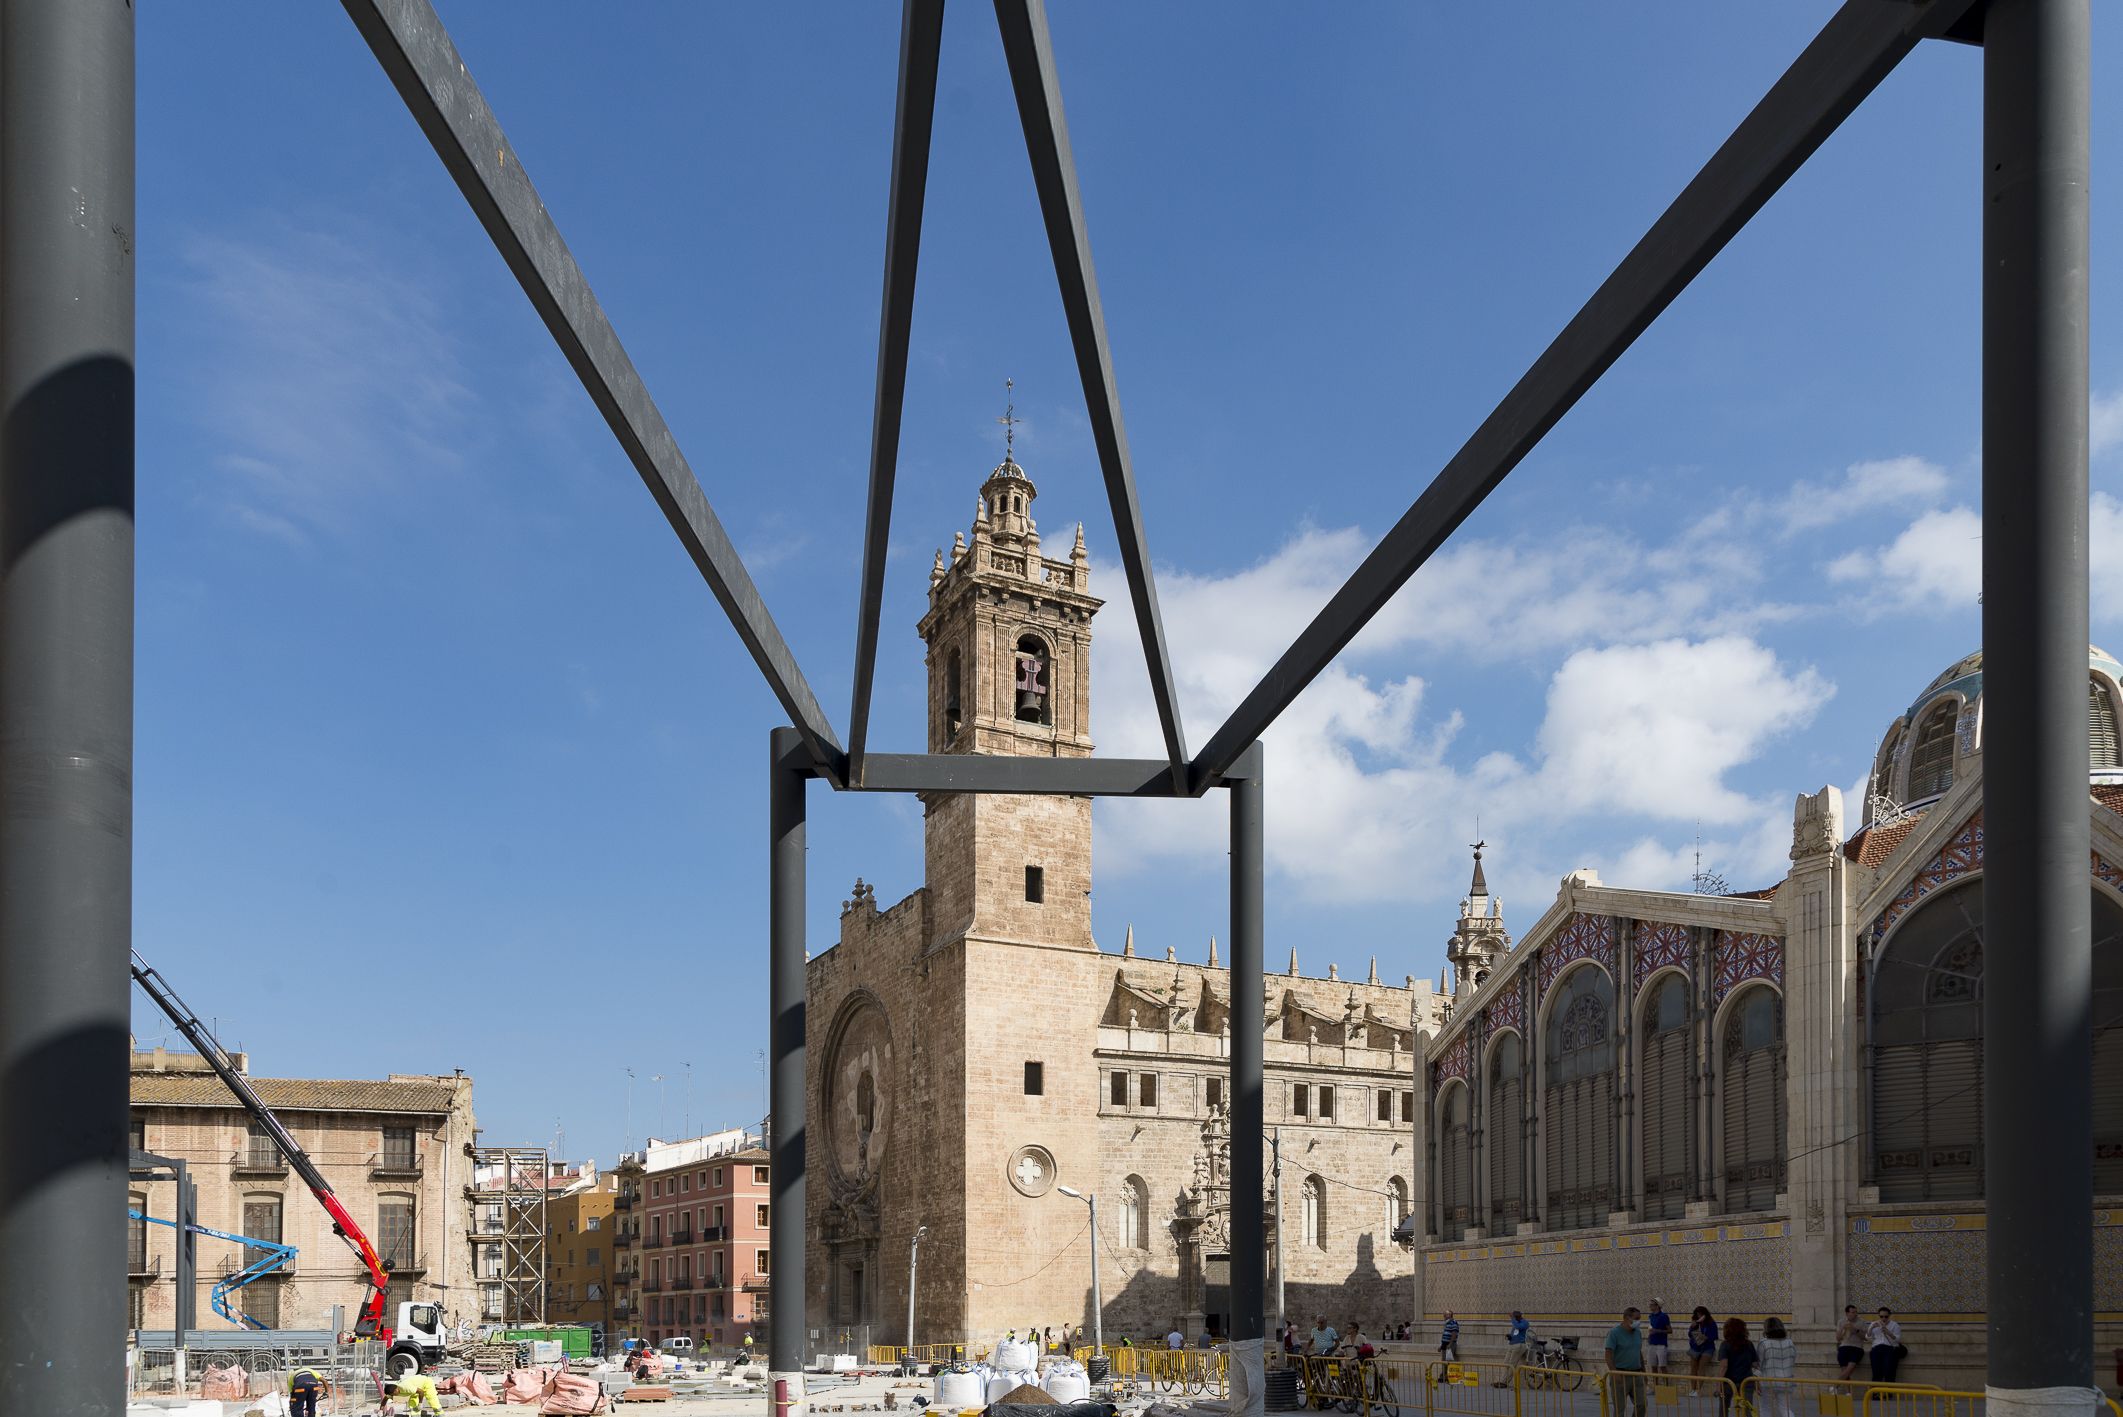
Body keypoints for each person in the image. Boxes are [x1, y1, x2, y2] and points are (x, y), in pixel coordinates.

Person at [1604, 1307, 1648, 1417]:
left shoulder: (1638, 1333)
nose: (1639, 1321)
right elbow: (1608, 1354)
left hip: (1636, 1374)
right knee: (1620, 1409)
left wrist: (1644, 1372)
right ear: (1627, 1318)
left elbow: (1639, 1353)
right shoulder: (1614, 1333)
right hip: (1620, 1374)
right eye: (1636, 1318)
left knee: (1642, 1404)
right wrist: (1614, 1372)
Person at [1757, 1317, 1798, 1417]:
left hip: (1767, 1381)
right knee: (1785, 1409)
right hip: (1786, 1381)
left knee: (1765, 1409)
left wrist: (1757, 1380)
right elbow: (1793, 1359)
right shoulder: (1790, 1342)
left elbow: (1758, 1363)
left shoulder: (1764, 1343)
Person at [1717, 1318, 1757, 1415]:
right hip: (1746, 1380)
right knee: (1747, 1408)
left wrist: (1718, 1384)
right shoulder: (1749, 1344)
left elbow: (1724, 1366)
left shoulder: (1725, 1345)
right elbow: (1755, 1364)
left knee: (1724, 1408)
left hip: (1728, 1381)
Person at [1867, 1308, 1903, 1383]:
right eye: (1881, 1316)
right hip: (1877, 1349)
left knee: (1889, 1371)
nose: (1883, 1319)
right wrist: (1871, 1328)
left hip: (1889, 1349)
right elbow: (1868, 1337)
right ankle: (1876, 1393)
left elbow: (1898, 1339)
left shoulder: (1894, 1325)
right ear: (1879, 1316)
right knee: (1876, 1371)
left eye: (1886, 1317)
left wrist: (1888, 1332)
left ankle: (1889, 1394)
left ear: (1889, 1316)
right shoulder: (1874, 1324)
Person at [1687, 1307, 1718, 1393]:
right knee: (1693, 1367)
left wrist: (1706, 1338)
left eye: (1701, 1313)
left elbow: (1715, 1336)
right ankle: (1692, 1389)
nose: (1699, 1315)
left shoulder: (1711, 1323)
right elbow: (1690, 1334)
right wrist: (1693, 1326)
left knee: (1701, 1367)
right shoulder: (1695, 1323)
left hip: (1707, 1347)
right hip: (1695, 1347)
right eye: (1697, 1314)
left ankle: (1698, 1390)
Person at [1497, 1311, 1531, 1388]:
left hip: (1519, 1345)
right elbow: (1516, 1332)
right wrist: (1510, 1336)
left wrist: (1512, 1319)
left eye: (1514, 1317)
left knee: (1512, 1364)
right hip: (1511, 1344)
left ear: (1517, 1317)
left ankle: (1504, 1382)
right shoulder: (1515, 1323)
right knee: (1506, 1363)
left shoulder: (1524, 1322)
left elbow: (1519, 1327)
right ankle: (1502, 1380)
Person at [1834, 1306, 1865, 1382]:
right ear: (1847, 1313)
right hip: (1844, 1347)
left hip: (1857, 1348)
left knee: (1849, 1370)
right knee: (1845, 1371)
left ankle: (1835, 1386)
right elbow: (1838, 1338)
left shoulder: (1861, 1322)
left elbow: (1865, 1337)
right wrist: (1843, 1328)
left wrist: (1855, 1330)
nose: (1855, 1314)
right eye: (1853, 1312)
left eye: (1856, 1312)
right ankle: (1849, 1393)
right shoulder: (1841, 1322)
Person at [1645, 1300, 1672, 1374]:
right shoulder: (1651, 1316)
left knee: (1662, 1366)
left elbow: (1670, 1330)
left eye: (1652, 1305)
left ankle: (1666, 1385)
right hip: (1652, 1343)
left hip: (1661, 1344)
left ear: (1657, 1306)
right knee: (1653, 1366)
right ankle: (1655, 1384)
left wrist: (1658, 1331)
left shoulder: (1664, 1316)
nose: (1650, 1306)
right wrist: (1649, 1336)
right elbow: (1651, 1328)